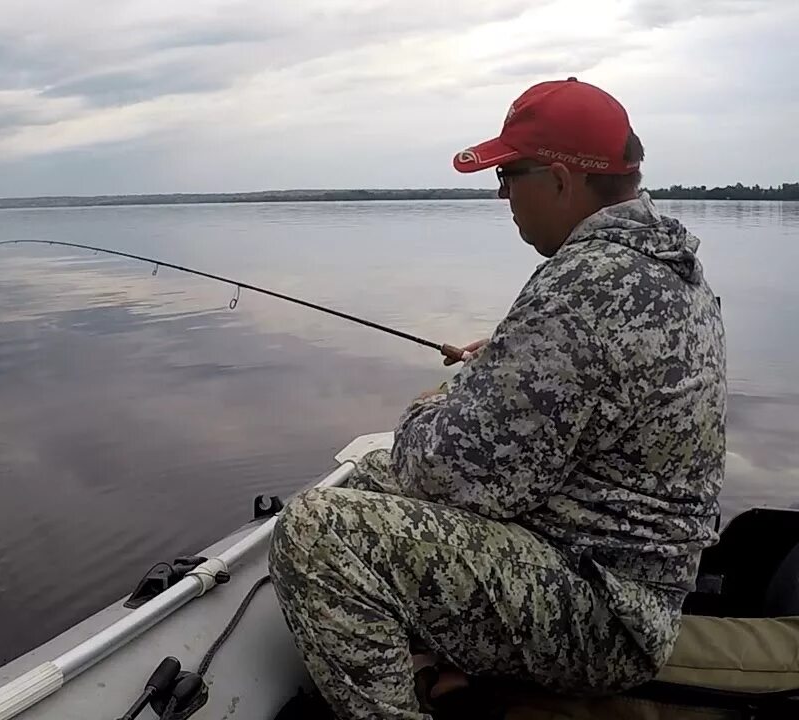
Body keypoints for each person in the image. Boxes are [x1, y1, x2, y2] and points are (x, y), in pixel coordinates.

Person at [269, 77, 727, 720]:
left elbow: (443, 471)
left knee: (315, 533)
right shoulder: (667, 268)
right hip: (631, 575)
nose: (503, 193)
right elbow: (587, 382)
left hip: (611, 617)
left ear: (563, 180)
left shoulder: (584, 286)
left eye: (510, 174)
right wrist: (509, 360)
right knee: (368, 477)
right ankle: (444, 666)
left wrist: (441, 397)